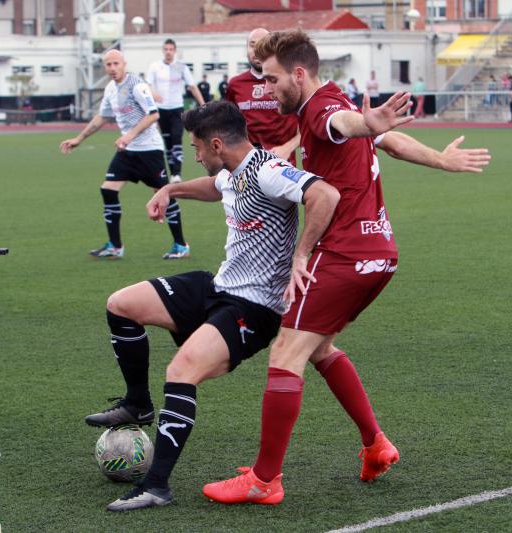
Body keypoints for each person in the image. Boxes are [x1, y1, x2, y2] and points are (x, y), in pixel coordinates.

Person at [202, 29, 490, 506]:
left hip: (344, 254)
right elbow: (387, 139)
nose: (268, 90)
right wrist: (437, 157)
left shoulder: (321, 108)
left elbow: (345, 125)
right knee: (318, 349)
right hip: (378, 253)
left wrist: (365, 123)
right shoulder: (336, 100)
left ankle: (264, 480)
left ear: (299, 74)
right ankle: (376, 445)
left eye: (273, 80)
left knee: (284, 355)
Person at [91, 100, 340, 511]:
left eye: (197, 148)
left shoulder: (268, 170)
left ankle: (156, 487)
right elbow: (217, 185)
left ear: (218, 144)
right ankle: (137, 404)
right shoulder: (233, 170)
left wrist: (302, 255)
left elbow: (325, 195)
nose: (196, 154)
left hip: (254, 307)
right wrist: (171, 189)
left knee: (181, 371)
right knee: (121, 304)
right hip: (218, 286)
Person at [60, 50, 189, 259]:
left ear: (124, 64)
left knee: (164, 195)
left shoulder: (136, 85)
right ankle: (115, 246)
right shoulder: (111, 89)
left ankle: (181, 245)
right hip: (127, 152)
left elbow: (153, 114)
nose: (112, 68)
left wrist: (129, 135)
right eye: (108, 64)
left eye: (115, 64)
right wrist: (79, 139)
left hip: (149, 151)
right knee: (108, 190)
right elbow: (102, 117)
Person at [226, 27, 299, 165]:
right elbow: (229, 126)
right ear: (246, 49)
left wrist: (287, 148)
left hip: (283, 165)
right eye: (252, 45)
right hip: (247, 166)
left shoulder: (289, 82)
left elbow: (308, 125)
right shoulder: (235, 85)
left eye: (262, 44)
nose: (257, 50)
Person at [146, 38, 206, 185]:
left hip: (177, 109)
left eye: (171, 49)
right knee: (167, 143)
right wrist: (153, 93)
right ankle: (172, 172)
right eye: (166, 49)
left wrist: (203, 104)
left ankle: (177, 173)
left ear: (175, 51)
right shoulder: (155, 67)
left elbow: (192, 86)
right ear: (163, 50)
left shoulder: (181, 67)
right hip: (161, 110)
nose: (168, 52)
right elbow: (147, 85)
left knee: (176, 139)